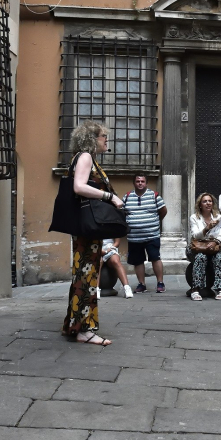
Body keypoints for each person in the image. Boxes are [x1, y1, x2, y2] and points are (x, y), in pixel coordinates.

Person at [62, 120, 123, 346]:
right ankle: (84, 330)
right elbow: (79, 187)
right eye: (101, 136)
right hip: (87, 227)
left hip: (85, 226)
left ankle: (74, 324)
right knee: (87, 277)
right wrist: (109, 196)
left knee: (83, 275)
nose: (106, 139)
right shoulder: (85, 157)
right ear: (91, 139)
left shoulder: (84, 158)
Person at [123, 174, 167, 293]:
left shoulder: (154, 196)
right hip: (134, 237)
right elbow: (122, 213)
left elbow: (163, 211)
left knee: (155, 258)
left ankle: (160, 283)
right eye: (138, 181)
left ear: (146, 183)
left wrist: (154, 222)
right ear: (134, 183)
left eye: (142, 181)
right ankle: (141, 284)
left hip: (152, 235)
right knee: (138, 261)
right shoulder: (127, 197)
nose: (140, 183)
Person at [187, 193, 221, 301]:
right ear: (200, 205)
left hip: (212, 246)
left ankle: (220, 289)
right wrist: (206, 229)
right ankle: (195, 289)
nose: (208, 203)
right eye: (204, 201)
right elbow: (195, 235)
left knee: (218, 258)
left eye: (210, 201)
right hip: (197, 246)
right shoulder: (194, 217)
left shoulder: (218, 217)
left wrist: (215, 242)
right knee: (201, 257)